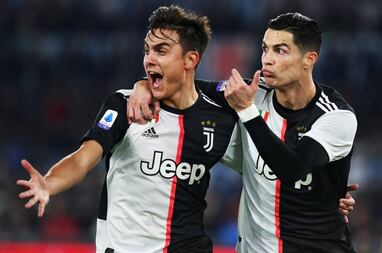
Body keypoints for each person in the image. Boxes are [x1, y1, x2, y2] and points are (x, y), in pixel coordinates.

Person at [16, 5, 242, 253]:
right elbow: (82, 159)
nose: (149, 59)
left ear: (190, 60)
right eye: (147, 50)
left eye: (161, 50)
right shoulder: (124, 106)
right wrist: (49, 183)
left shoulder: (219, 118)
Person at [128, 12, 358, 253]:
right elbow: (182, 85)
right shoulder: (252, 94)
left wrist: (247, 111)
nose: (267, 59)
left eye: (280, 51)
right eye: (265, 49)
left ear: (308, 59)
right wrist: (142, 86)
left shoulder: (336, 116)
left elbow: (292, 169)